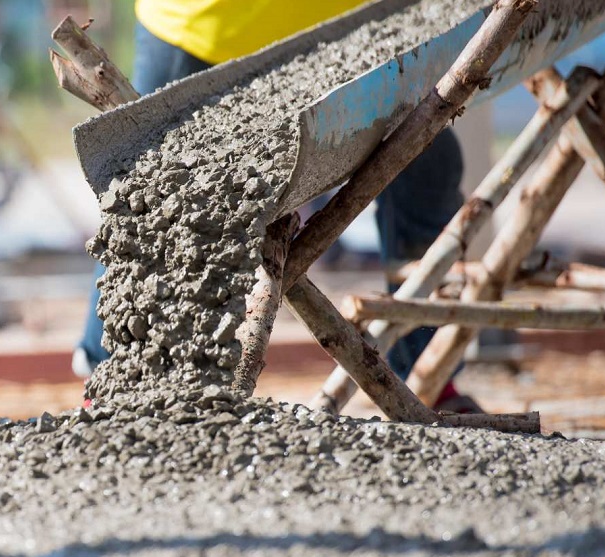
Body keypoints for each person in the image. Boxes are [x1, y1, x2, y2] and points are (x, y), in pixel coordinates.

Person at [72, 0, 482, 413]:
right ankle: (112, 382)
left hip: (349, 34)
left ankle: (432, 375)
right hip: (204, 28)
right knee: (150, 201)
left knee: (428, 169)